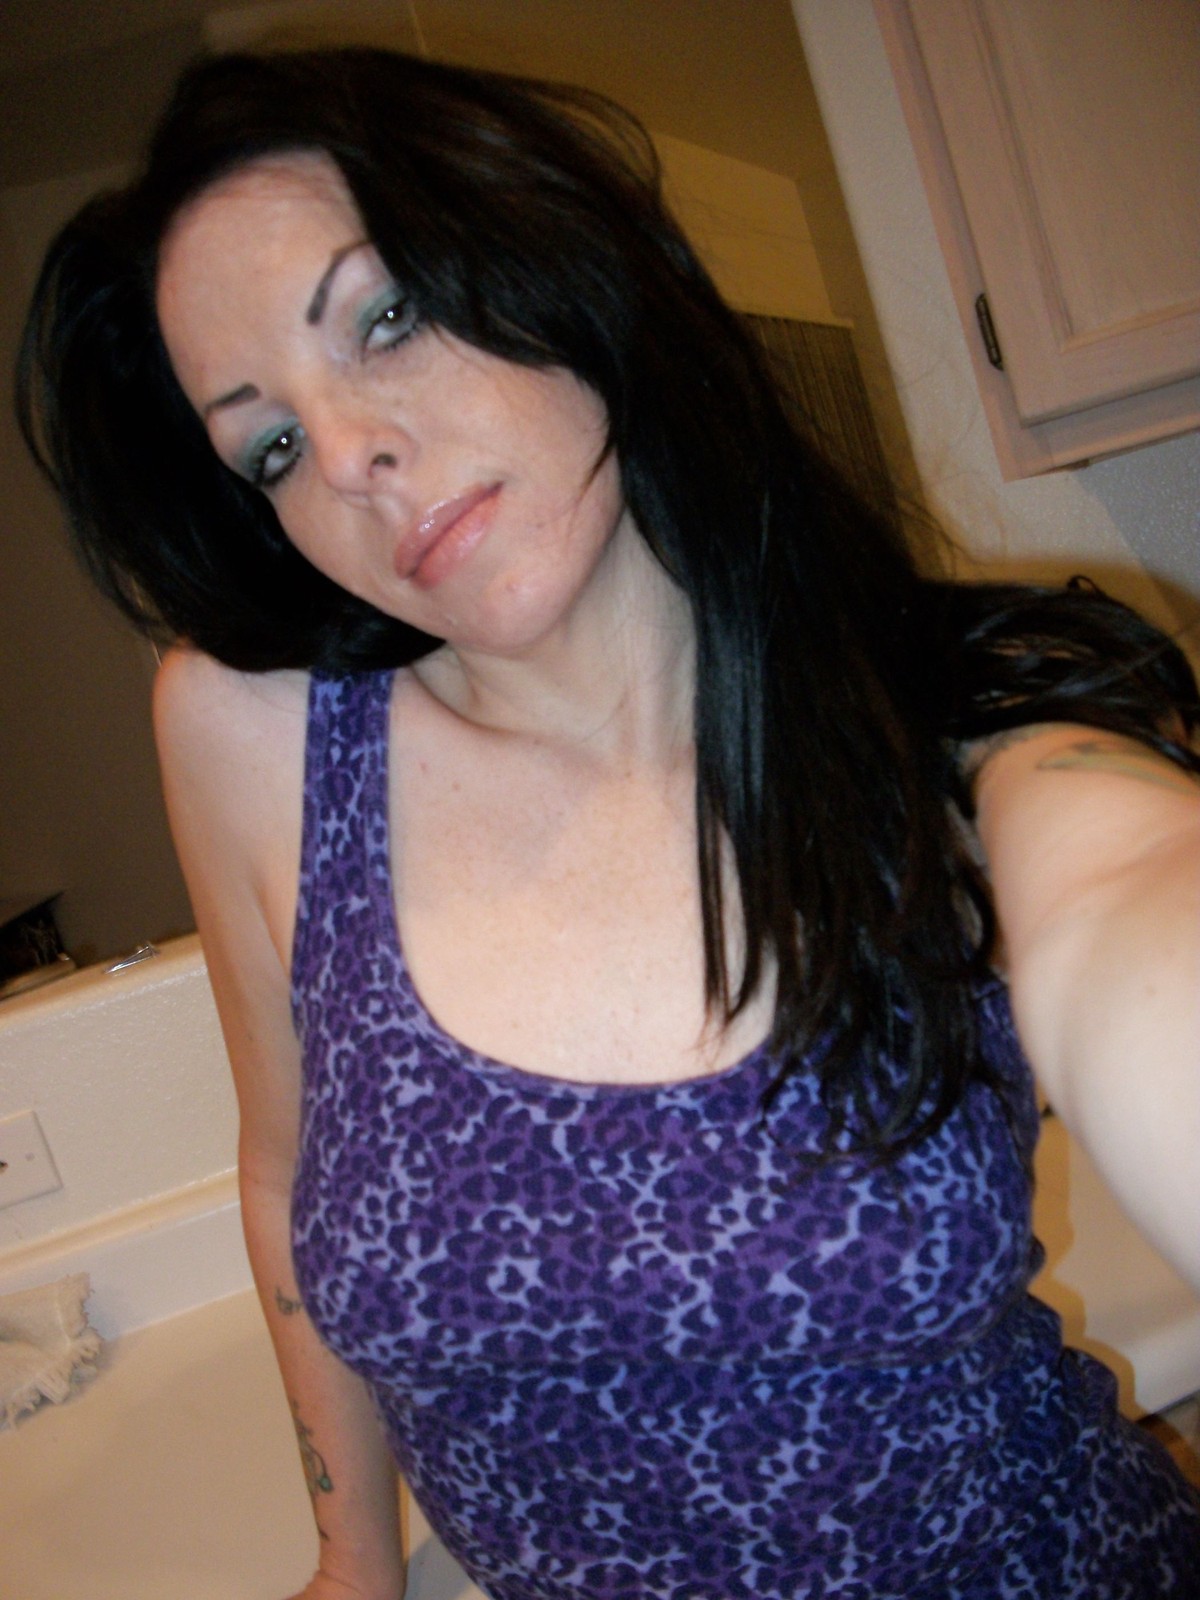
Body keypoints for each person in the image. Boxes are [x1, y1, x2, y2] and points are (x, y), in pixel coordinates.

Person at [16, 44, 1200, 1600]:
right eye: (273, 446)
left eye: (384, 317)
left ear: (551, 256)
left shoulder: (953, 730)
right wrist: (353, 1557)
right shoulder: (259, 740)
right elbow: (282, 1166)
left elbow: (1140, 922)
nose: (351, 455)